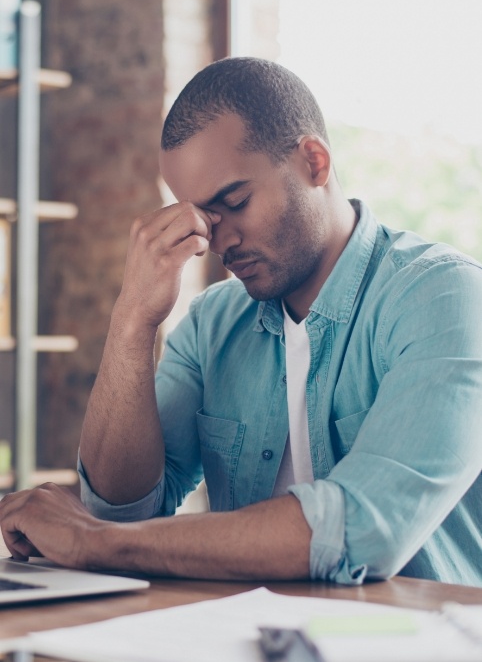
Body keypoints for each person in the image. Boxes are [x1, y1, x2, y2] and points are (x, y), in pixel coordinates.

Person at [1, 57, 481, 586]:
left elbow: (363, 530)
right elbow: (121, 508)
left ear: (314, 163)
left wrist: (93, 541)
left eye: (235, 202)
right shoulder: (213, 323)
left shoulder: (445, 297)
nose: (218, 242)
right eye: (203, 217)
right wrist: (132, 319)